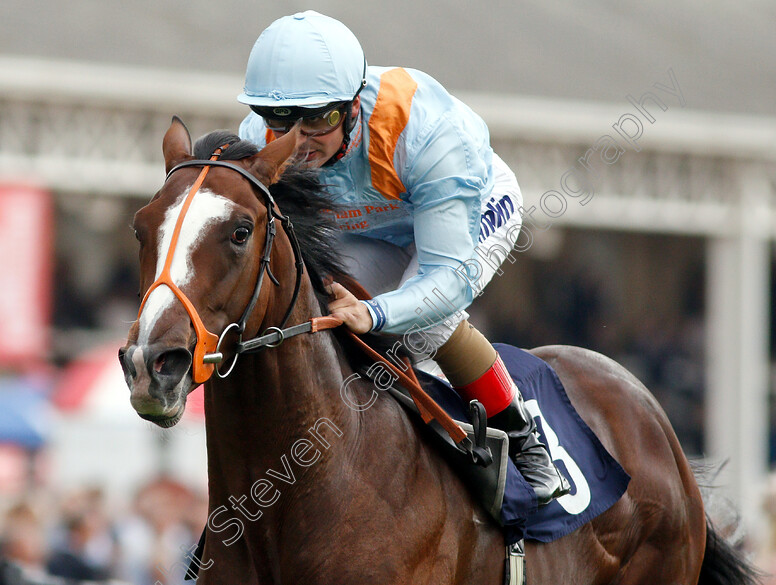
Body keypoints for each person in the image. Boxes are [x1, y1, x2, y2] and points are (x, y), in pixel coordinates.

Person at [237, 11, 569, 506]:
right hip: (368, 226)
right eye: (281, 120)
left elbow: (446, 280)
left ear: (351, 108)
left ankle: (521, 436)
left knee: (422, 324)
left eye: (319, 119)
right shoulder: (258, 139)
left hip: (467, 209)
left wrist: (375, 313)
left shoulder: (428, 133)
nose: (299, 140)